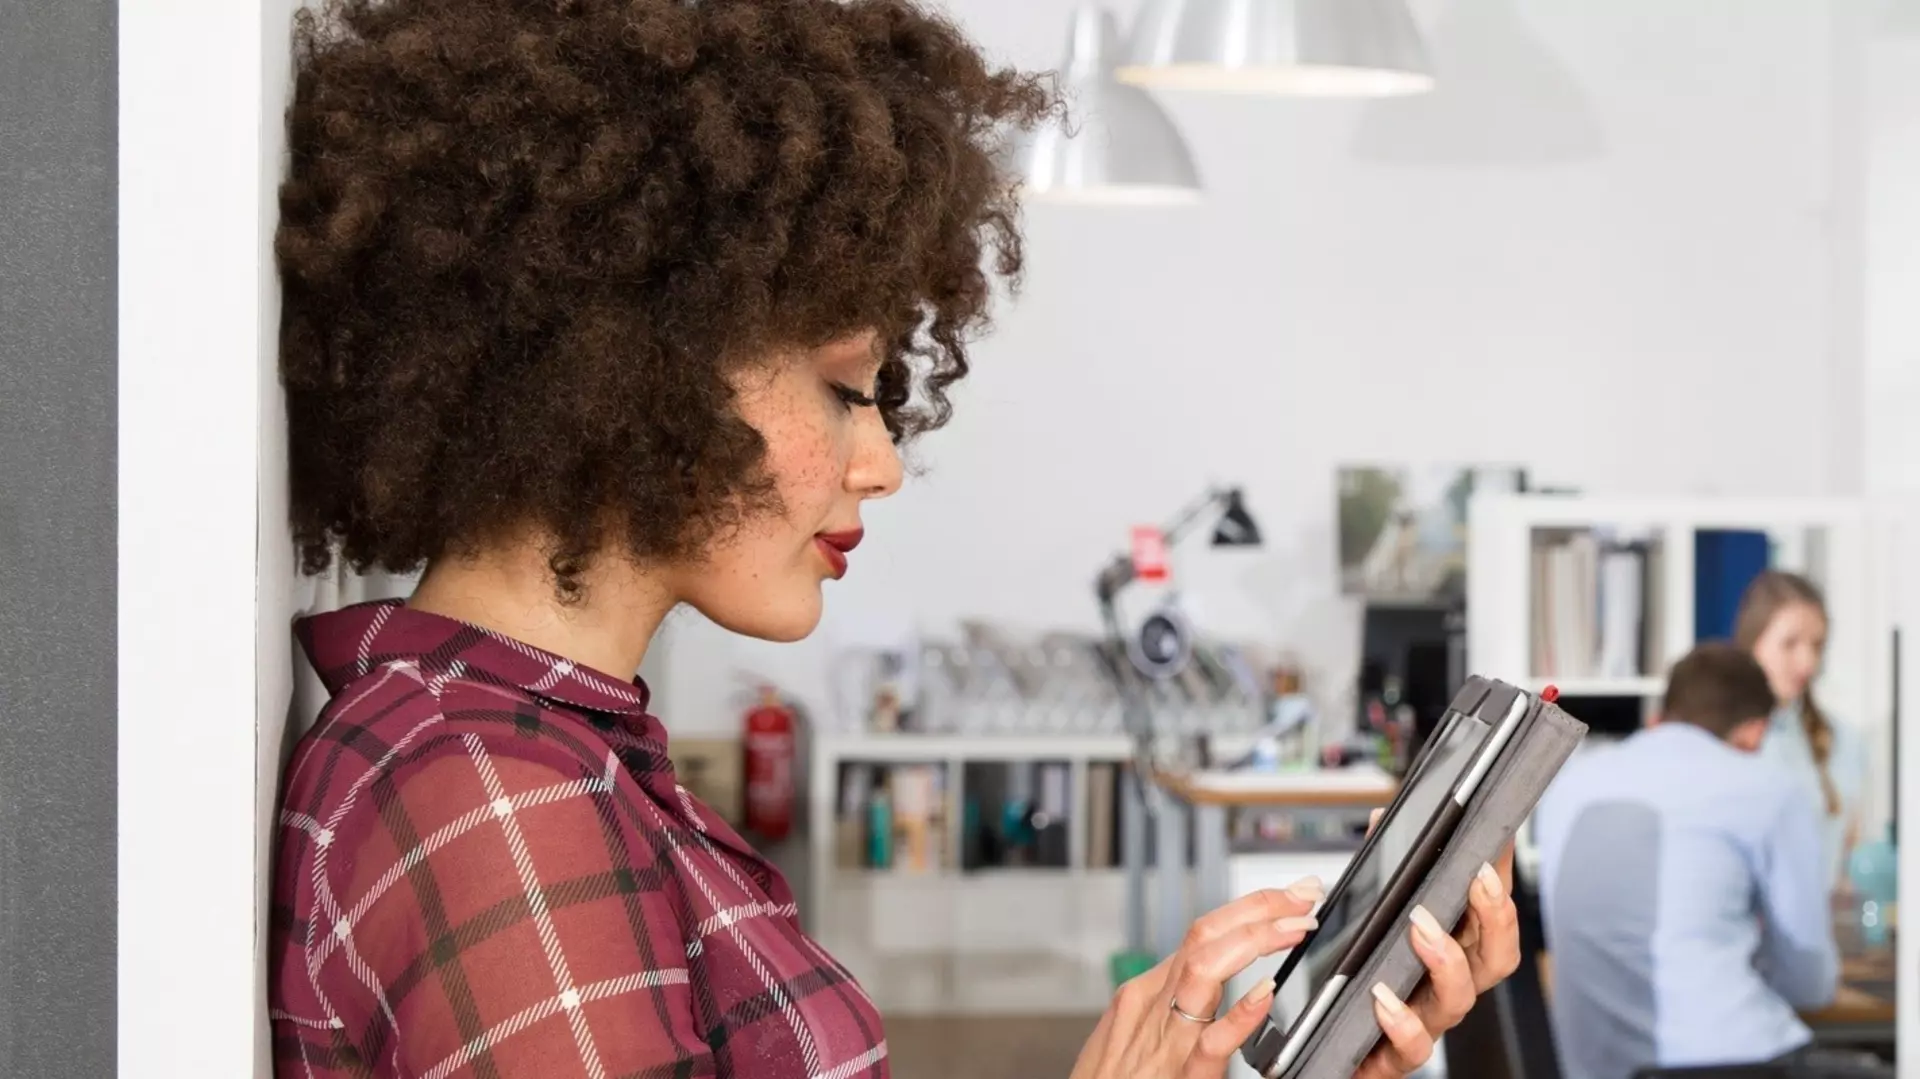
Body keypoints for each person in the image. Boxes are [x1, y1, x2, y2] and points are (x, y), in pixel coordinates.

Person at [265, 2, 1522, 1077]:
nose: (883, 461)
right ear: (629, 365)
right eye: (842, 387)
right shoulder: (491, 802)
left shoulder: (554, 756)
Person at [1533, 643, 1838, 1079]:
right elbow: (1810, 984)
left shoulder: (1568, 784)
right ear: (1755, 732)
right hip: (1734, 1065)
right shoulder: (1768, 788)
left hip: (1592, 1067)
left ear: (1662, 715)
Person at [1734, 570, 1872, 889]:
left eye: (1817, 645)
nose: (1807, 663)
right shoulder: (1716, 738)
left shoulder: (1845, 743)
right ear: (1752, 641)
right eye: (1790, 644)